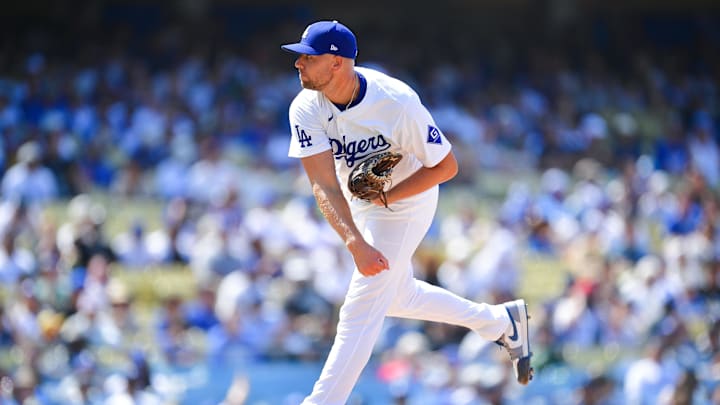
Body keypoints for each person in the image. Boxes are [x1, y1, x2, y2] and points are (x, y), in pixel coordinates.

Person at [282, 20, 533, 404]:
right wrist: (354, 241)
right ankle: (500, 321)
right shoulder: (305, 107)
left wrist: (389, 196)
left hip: (408, 199)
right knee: (398, 296)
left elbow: (446, 166)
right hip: (362, 203)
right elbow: (324, 185)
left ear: (336, 63)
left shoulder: (395, 102)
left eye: (308, 57)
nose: (298, 63)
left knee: (360, 307)